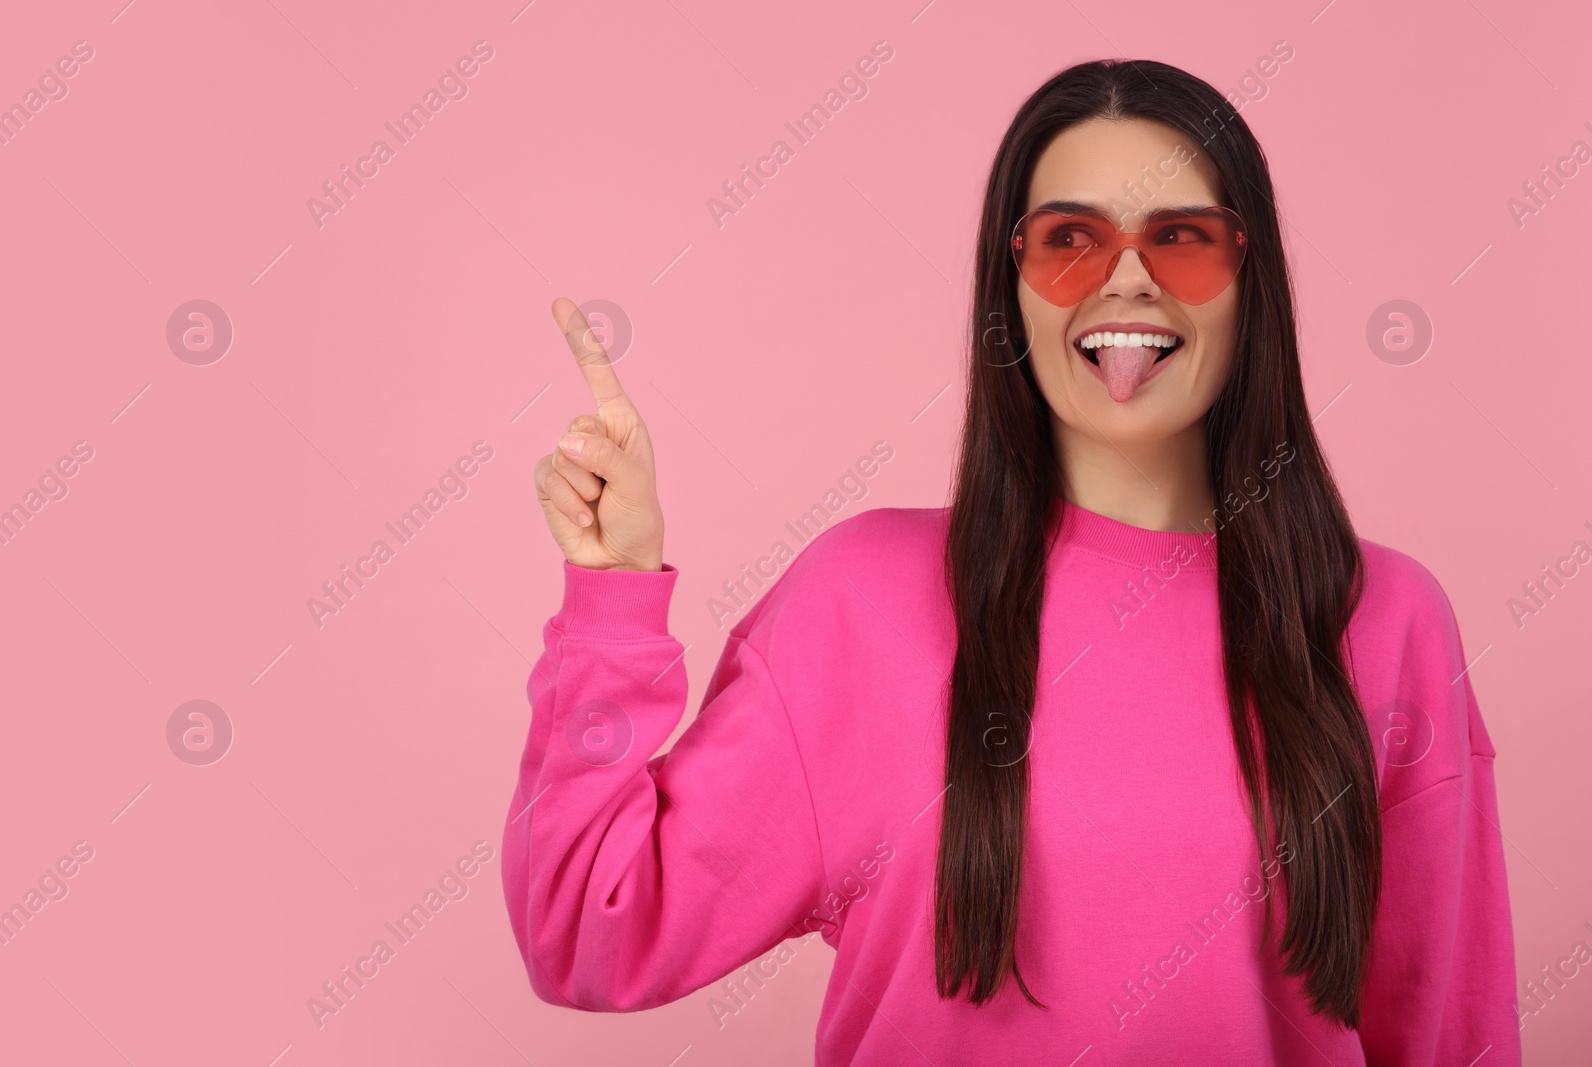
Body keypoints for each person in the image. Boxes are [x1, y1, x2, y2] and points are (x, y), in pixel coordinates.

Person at [500, 58, 1520, 1065]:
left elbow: (1447, 1029)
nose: (1128, 277)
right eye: (1070, 241)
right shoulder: (856, 600)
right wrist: (612, 601)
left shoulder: (1382, 618)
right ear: (1012, 283)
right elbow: (586, 928)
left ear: (1249, 284)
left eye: (1181, 239)